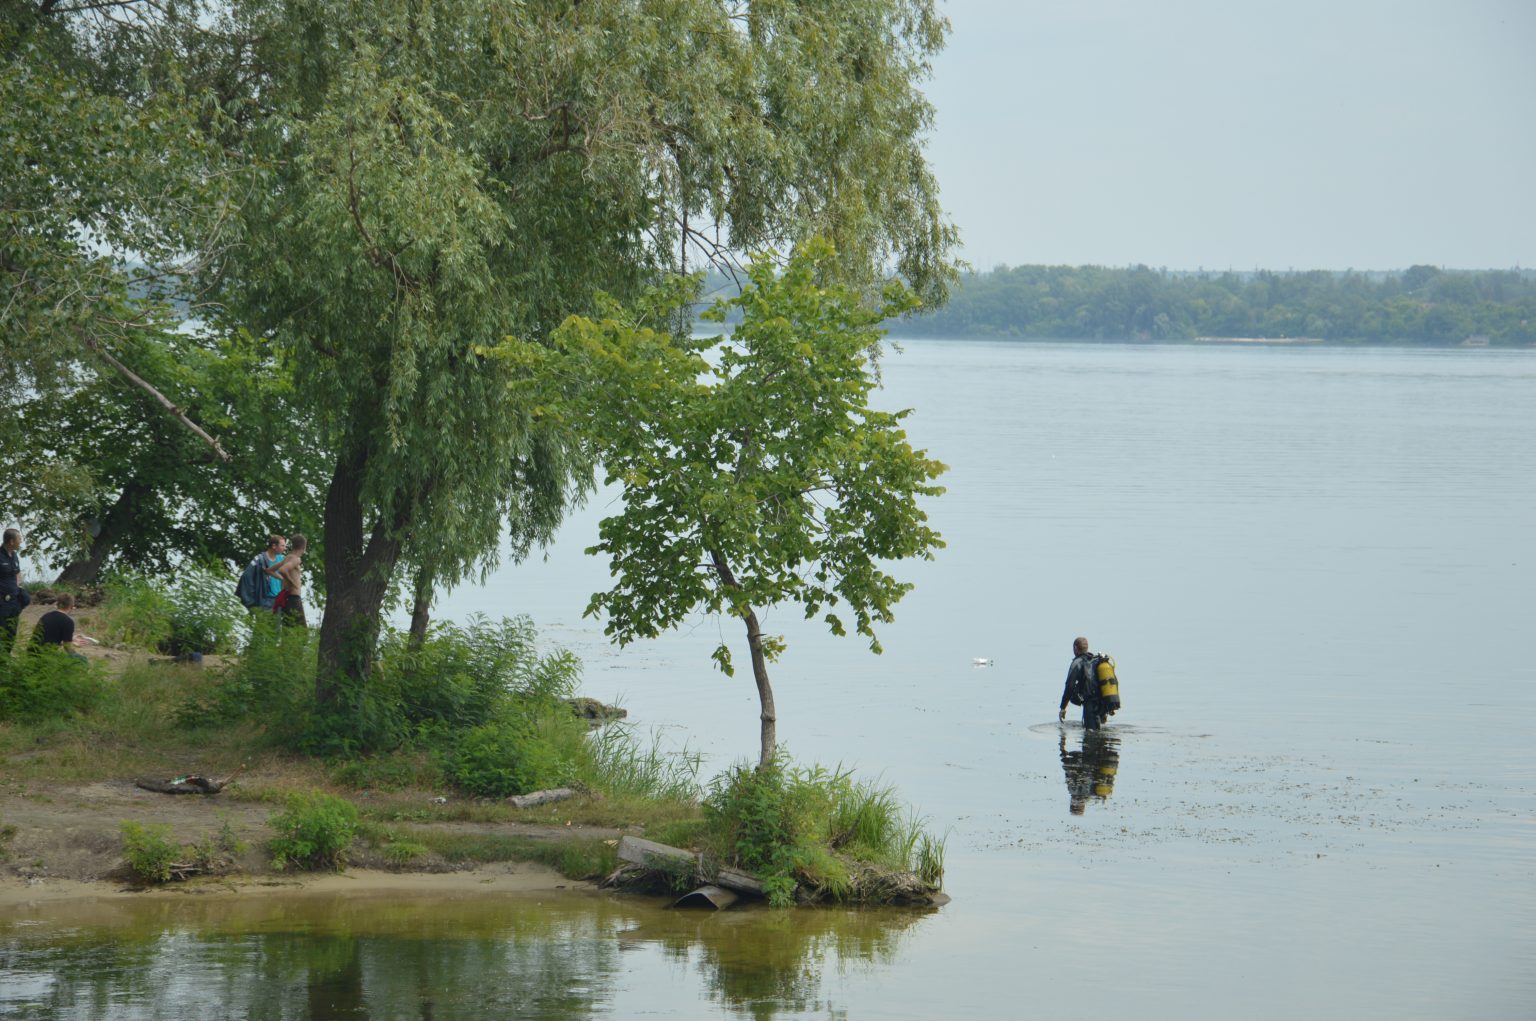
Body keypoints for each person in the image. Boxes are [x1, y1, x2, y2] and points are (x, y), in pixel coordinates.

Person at [1058, 635, 1106, 731]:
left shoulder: (1077, 663)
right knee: (1100, 733)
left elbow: (1070, 686)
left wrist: (1063, 707)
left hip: (1090, 704)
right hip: (1103, 703)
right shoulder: (1095, 660)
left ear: (1075, 648)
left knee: (1091, 734)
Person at [29, 593, 88, 662]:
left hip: (31, 653)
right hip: (45, 656)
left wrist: (71, 639)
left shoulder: (46, 616)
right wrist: (75, 652)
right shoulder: (68, 621)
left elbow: (48, 638)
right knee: (83, 660)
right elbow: (67, 648)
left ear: (57, 604)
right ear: (72, 606)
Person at [267, 533, 308, 627]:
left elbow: (270, 570)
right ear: (304, 547)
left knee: (288, 629)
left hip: (287, 599)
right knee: (301, 631)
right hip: (293, 599)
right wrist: (293, 582)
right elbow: (283, 570)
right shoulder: (296, 559)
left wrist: (283, 579)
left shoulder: (287, 558)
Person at [0, 528, 28, 656]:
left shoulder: (14, 555)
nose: (21, 542)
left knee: (11, 632)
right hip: (3, 601)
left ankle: (6, 658)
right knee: (3, 631)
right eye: (19, 539)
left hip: (14, 600)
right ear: (11, 541)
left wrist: (19, 587)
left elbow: (17, 573)